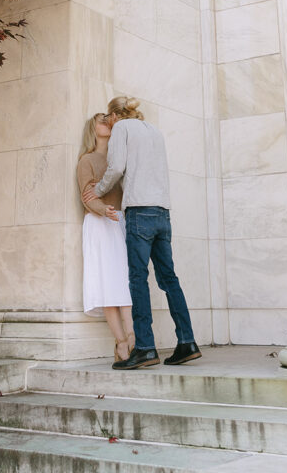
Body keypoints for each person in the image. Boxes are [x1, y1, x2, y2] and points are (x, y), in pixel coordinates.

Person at [82, 95, 201, 370]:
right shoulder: (155, 132)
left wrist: (97, 190)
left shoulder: (122, 129)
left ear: (114, 117)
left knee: (137, 279)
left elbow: (117, 168)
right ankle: (187, 342)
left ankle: (145, 348)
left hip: (139, 211)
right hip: (163, 211)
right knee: (169, 278)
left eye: (109, 119)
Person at [77, 112, 135, 363]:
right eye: (102, 119)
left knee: (126, 282)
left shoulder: (119, 157)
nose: (106, 122)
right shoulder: (87, 160)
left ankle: (134, 338)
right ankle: (122, 342)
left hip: (120, 221)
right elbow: (87, 194)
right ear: (93, 128)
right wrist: (103, 210)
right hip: (100, 224)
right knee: (107, 285)